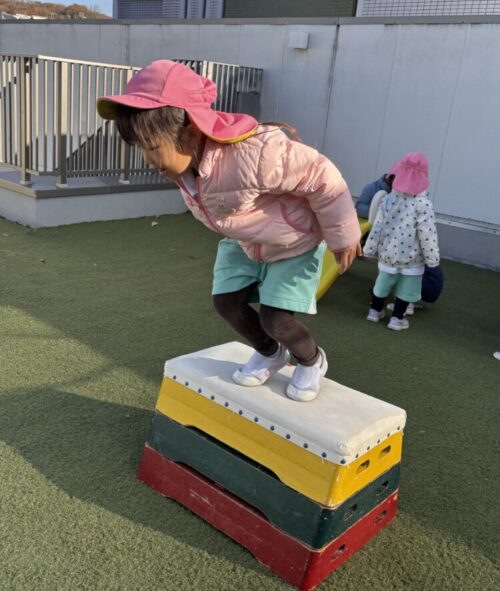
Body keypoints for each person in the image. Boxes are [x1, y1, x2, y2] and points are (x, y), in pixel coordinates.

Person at [97, 60, 361, 402]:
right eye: (141, 148)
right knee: (226, 303)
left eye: (151, 146)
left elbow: (323, 176)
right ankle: (270, 353)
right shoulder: (186, 168)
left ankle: (311, 360)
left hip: (291, 242)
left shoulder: (254, 154)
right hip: (246, 241)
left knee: (276, 320)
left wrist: (344, 234)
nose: (147, 160)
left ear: (190, 134)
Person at [363, 152, 440, 331]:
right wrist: (432, 259)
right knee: (407, 289)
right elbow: (428, 234)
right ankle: (397, 319)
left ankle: (375, 311)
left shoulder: (388, 199)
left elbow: (377, 226)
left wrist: (369, 248)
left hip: (388, 254)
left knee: (382, 284)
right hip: (412, 259)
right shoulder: (423, 204)